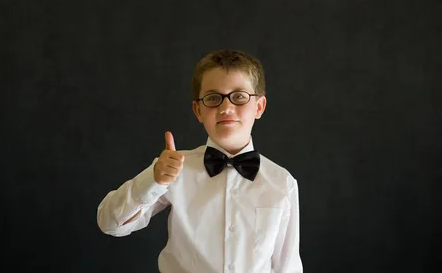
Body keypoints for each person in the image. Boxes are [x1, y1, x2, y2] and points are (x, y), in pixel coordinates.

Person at [97, 49, 303, 273]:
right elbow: (109, 224)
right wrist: (153, 179)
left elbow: (287, 266)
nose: (226, 108)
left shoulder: (282, 182)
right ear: (198, 110)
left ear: (259, 107)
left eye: (239, 96)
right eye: (213, 98)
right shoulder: (174, 168)